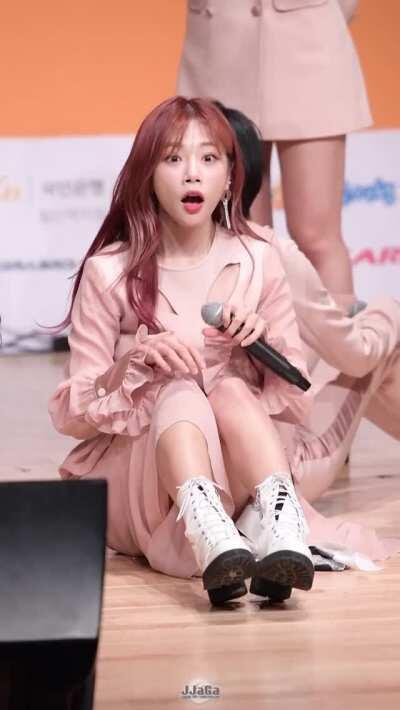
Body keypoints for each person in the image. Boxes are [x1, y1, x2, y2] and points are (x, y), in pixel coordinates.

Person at [49, 96, 317, 607]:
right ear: (147, 175)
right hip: (144, 485)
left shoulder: (259, 259)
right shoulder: (109, 271)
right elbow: (73, 412)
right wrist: (132, 365)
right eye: (173, 158)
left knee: (231, 388)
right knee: (178, 388)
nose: (192, 173)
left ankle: (281, 524)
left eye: (208, 158)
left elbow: (298, 400)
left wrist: (259, 346)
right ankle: (205, 526)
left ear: (230, 177)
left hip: (236, 471)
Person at [213, 101, 400, 598]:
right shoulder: (266, 251)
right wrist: (387, 314)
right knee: (380, 338)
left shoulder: (144, 246)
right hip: (276, 467)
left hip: (184, 475)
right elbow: (356, 355)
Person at [177, 0, 371, 313]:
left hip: (306, 44)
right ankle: (252, 342)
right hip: (219, 46)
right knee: (239, 232)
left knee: (316, 235)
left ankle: (336, 344)